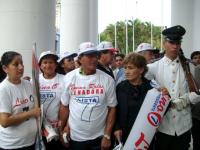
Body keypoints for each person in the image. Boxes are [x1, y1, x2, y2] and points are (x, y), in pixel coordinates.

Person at [146, 25, 200, 150]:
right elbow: (146, 91)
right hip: (163, 125)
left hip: (184, 124)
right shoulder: (153, 67)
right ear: (164, 44)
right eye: (171, 42)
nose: (175, 46)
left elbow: (198, 92)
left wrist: (185, 100)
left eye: (178, 43)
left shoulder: (189, 67)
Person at [59, 42, 117, 150]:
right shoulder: (69, 78)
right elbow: (64, 106)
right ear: (80, 59)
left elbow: (112, 108)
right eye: (89, 56)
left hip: (99, 138)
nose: (94, 59)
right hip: (76, 138)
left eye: (96, 56)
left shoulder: (107, 79)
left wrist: (107, 135)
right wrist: (61, 130)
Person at [0, 51, 41, 150]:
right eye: (16, 64)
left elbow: (36, 108)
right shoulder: (3, 89)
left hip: (31, 142)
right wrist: (31, 113)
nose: (21, 67)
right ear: (5, 68)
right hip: (13, 145)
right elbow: (4, 121)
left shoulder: (28, 84)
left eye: (22, 63)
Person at [114, 52, 155, 149]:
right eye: (125, 68)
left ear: (141, 70)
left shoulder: (151, 87)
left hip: (145, 135)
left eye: (130, 68)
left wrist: (165, 93)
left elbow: (163, 107)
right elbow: (115, 110)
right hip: (125, 133)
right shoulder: (120, 87)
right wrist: (117, 128)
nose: (126, 71)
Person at [38, 51, 66, 149]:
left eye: (51, 62)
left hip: (59, 127)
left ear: (56, 64)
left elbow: (67, 105)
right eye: (45, 62)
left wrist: (62, 126)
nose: (48, 65)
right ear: (40, 65)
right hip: (41, 128)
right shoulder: (35, 80)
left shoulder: (64, 79)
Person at [190, 50, 200, 150]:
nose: (197, 60)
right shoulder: (190, 73)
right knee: (196, 139)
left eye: (199, 58)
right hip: (195, 113)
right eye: (195, 58)